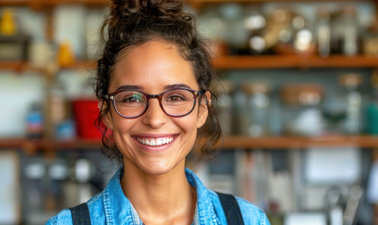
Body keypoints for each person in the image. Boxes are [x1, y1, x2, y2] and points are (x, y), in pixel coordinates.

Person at [46, 0, 271, 224]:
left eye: (175, 97)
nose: (154, 119)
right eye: (132, 98)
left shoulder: (249, 220)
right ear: (107, 112)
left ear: (202, 108)